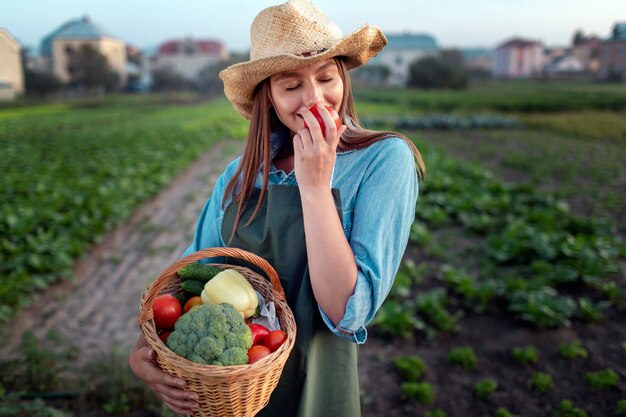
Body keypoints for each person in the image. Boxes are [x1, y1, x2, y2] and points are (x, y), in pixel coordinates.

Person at [129, 0, 426, 415]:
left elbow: (347, 313)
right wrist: (145, 351)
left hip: (314, 388)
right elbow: (189, 277)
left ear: (343, 77)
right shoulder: (239, 174)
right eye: (291, 86)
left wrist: (316, 185)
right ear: (267, 95)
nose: (315, 99)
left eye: (326, 78)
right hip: (226, 387)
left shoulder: (384, 161)